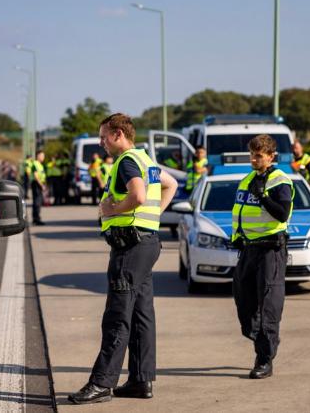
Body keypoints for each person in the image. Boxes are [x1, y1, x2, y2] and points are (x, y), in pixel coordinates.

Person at [69, 113, 177, 405]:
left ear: (119, 134)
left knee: (118, 315)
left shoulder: (127, 161)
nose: (102, 143)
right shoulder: (146, 160)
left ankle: (102, 384)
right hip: (147, 243)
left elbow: (139, 196)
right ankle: (141, 380)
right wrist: (153, 219)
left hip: (130, 247)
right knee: (142, 313)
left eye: (104, 136)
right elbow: (171, 185)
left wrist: (113, 209)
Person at [231, 134, 294, 380]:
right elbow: (240, 212)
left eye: (259, 155)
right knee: (244, 303)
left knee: (269, 305)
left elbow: (281, 214)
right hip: (248, 250)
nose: (254, 159)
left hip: (271, 251)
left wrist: (264, 197)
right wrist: (236, 236)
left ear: (271, 156)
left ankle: (264, 358)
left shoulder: (280, 181)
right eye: (252, 155)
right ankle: (262, 338)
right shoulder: (247, 179)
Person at [31, 150, 47, 225]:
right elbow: (36, 176)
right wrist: (41, 185)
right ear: (38, 156)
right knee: (37, 202)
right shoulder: (35, 164)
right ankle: (36, 219)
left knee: (39, 201)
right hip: (36, 184)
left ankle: (36, 218)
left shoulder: (40, 164)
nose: (43, 157)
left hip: (39, 184)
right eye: (42, 156)